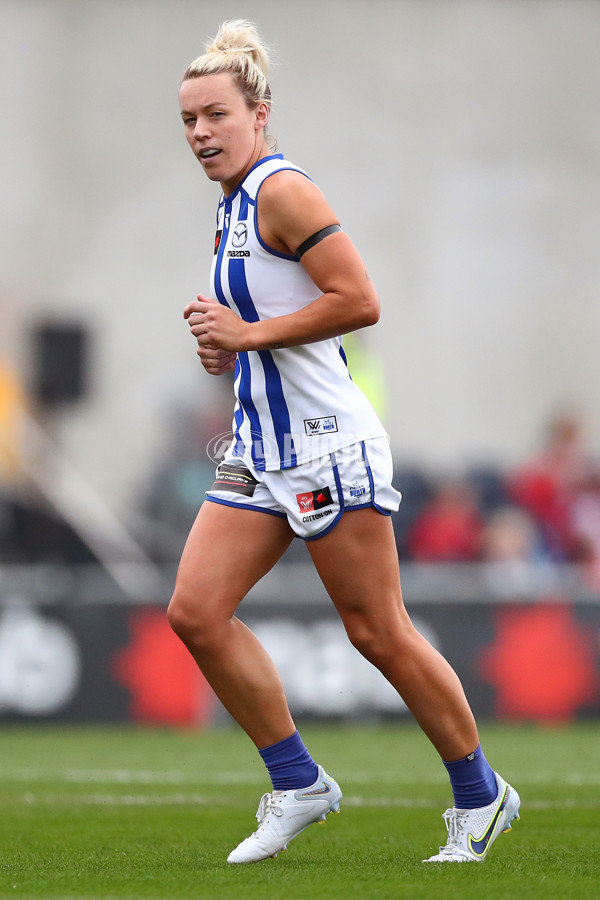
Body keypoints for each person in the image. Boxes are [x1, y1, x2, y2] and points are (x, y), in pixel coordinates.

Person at [168, 19, 520, 865]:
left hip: (329, 443)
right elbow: (273, 327)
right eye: (188, 121)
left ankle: (482, 796)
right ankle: (298, 784)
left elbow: (359, 300)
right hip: (262, 446)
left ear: (259, 113)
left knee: (377, 631)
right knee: (196, 612)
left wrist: (248, 336)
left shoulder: (284, 191)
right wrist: (224, 344)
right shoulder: (230, 209)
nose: (201, 133)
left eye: (215, 114)